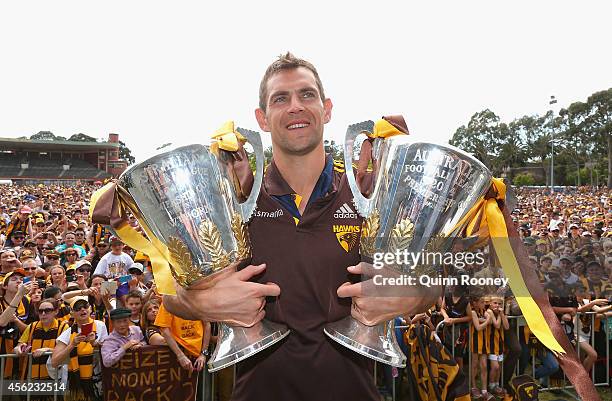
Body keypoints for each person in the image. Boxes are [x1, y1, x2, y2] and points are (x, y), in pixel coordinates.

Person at [162, 52, 436, 400]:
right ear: (261, 118)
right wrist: (199, 302)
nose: (295, 106)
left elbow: (432, 285)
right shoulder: (233, 197)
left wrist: (413, 296)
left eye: (307, 95)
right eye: (281, 98)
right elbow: (170, 295)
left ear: (327, 109)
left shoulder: (368, 193)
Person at [51, 296, 108, 401]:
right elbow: (54, 362)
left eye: (85, 306)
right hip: (75, 385)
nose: (82, 310)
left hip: (98, 381)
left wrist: (94, 343)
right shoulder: (68, 333)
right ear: (72, 313)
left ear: (90, 308)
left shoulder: (100, 325)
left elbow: (107, 350)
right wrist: (72, 345)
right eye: (78, 308)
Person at [14, 298, 70, 380]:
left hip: (54, 377)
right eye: (40, 311)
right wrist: (19, 349)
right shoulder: (32, 326)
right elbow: (17, 347)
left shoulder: (64, 327)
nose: (43, 314)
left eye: (47, 311)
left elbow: (67, 352)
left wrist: (47, 350)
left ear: (56, 311)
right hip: (31, 377)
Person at [155, 301, 210, 372]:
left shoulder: (198, 300)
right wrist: (180, 355)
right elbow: (165, 330)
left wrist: (203, 354)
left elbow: (207, 325)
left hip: (200, 355)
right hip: (179, 352)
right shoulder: (169, 302)